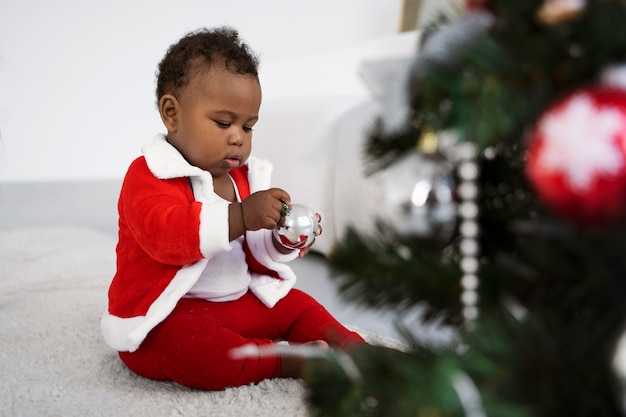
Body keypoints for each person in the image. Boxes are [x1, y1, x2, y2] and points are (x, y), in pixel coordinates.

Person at [100, 26, 366, 391]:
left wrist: (282, 234)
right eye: (223, 123)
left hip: (237, 300)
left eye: (249, 126)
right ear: (171, 113)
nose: (238, 136)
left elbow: (256, 248)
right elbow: (168, 236)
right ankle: (281, 360)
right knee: (199, 352)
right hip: (170, 313)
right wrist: (241, 216)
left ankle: (356, 349)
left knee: (297, 305)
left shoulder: (242, 177)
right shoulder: (149, 176)